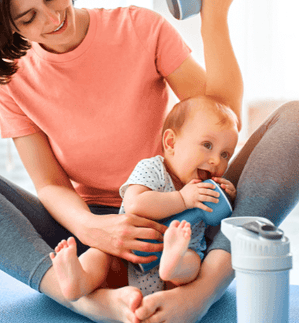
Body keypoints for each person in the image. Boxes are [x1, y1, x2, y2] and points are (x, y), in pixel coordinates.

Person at [0, 0, 299, 323]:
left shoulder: (140, 28)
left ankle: (200, 294)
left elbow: (218, 120)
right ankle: (89, 303)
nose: (53, 17)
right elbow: (50, 185)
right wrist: (95, 228)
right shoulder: (12, 79)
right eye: (28, 17)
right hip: (90, 236)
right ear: (8, 25)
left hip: (182, 212)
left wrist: (214, 18)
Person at [50, 96, 238, 300]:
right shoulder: (153, 169)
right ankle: (78, 280)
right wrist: (182, 199)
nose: (215, 160)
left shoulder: (204, 188)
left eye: (225, 154)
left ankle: (173, 264)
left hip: (171, 276)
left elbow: (217, 225)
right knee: (99, 256)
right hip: (127, 257)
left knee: (193, 263)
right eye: (207, 145)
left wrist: (227, 198)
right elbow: (134, 204)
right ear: (171, 142)